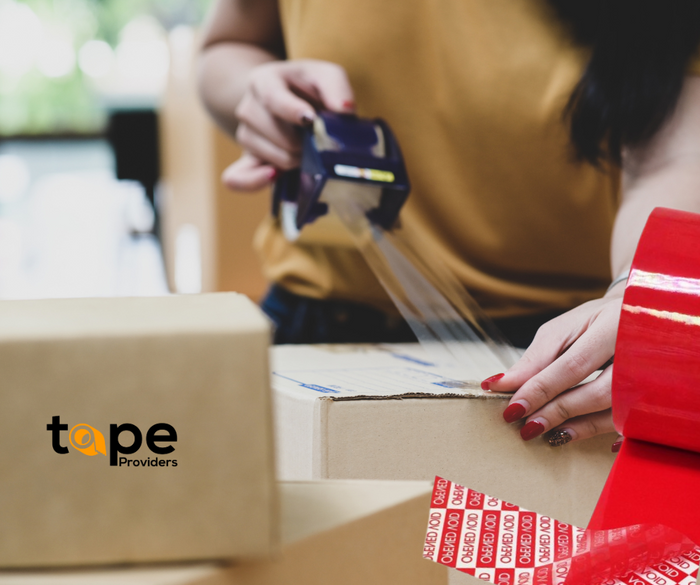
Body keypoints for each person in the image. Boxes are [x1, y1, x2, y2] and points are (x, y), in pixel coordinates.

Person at [197, 0, 700, 449]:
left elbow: (671, 152)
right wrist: (256, 93)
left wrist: (636, 292)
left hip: (561, 354)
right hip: (323, 323)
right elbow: (229, 44)